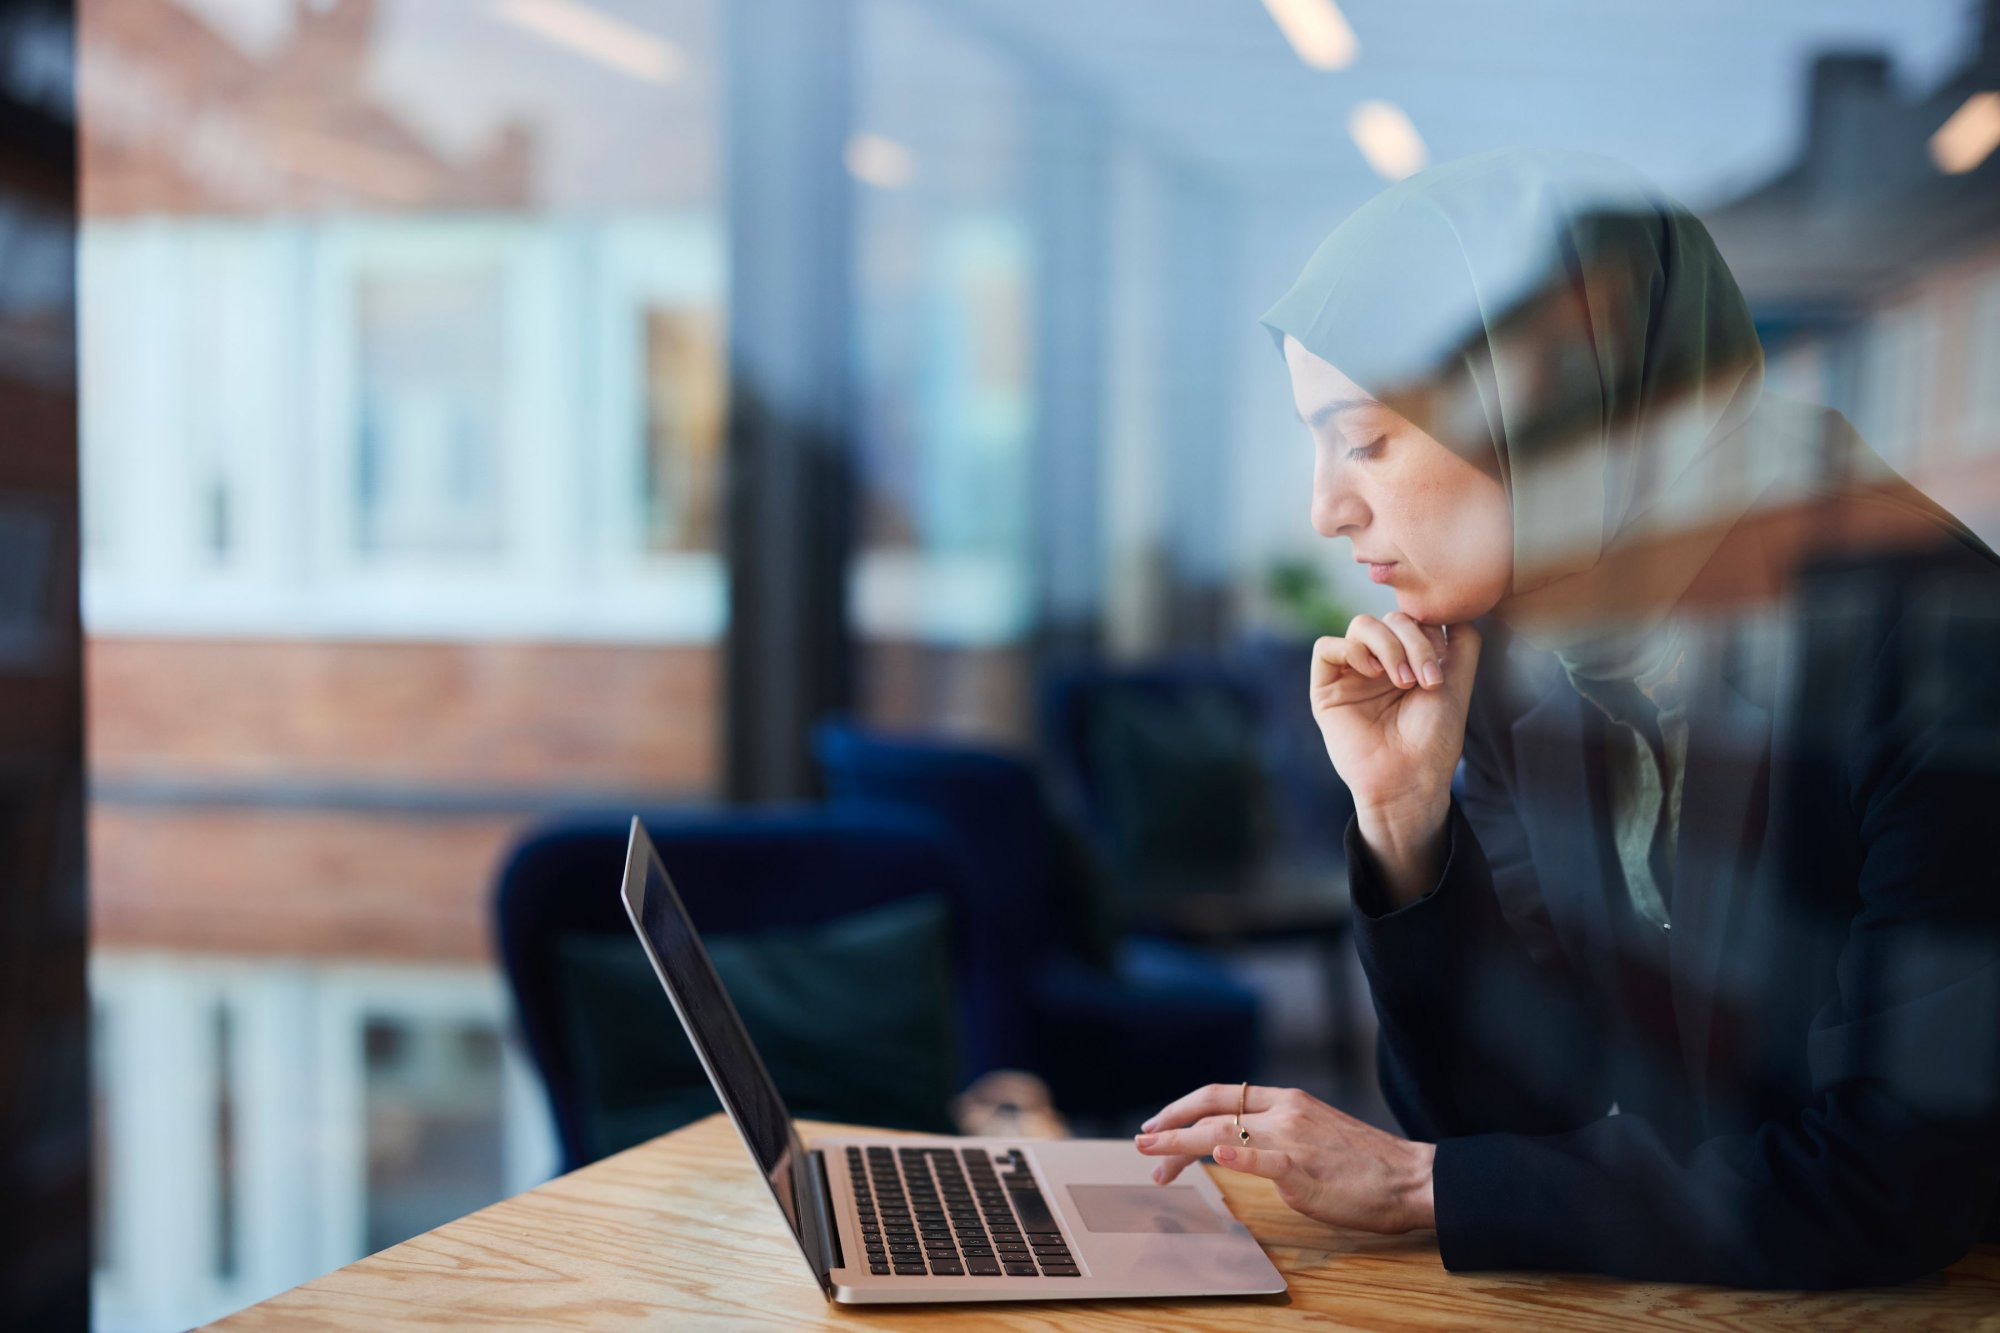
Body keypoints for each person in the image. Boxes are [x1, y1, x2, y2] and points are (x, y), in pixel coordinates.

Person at [1133, 148, 2000, 1288]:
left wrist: (1412, 1186)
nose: (1325, 508)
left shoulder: (1936, 649)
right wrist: (1404, 823)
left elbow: (1890, 1175)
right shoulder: (1525, 653)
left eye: (1365, 437)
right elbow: (1502, 1112)